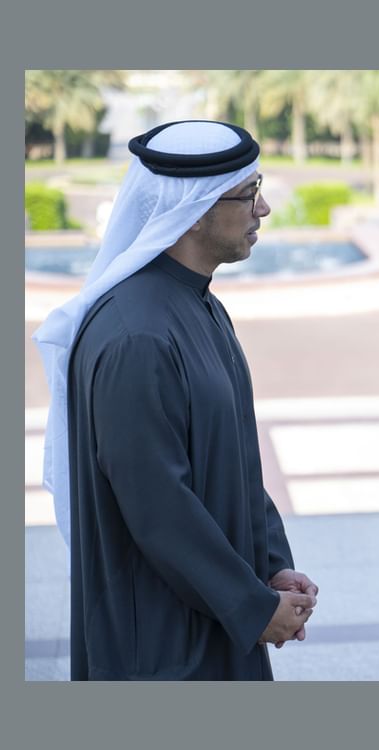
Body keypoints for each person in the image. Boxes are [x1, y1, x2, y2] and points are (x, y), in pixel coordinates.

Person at [33, 120, 318, 680]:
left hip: (215, 618)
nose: (262, 210)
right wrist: (252, 607)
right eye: (250, 193)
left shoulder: (200, 305)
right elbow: (157, 507)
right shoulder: (135, 334)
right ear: (197, 206)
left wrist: (273, 567)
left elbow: (234, 457)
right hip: (160, 647)